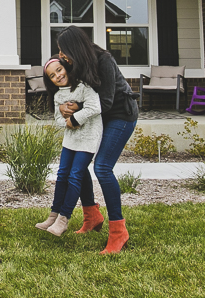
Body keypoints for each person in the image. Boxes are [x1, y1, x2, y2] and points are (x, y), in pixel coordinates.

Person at [55, 25, 139, 254]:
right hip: (95, 118)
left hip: (120, 115)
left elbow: (107, 102)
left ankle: (118, 231)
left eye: (63, 51)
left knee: (102, 167)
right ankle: (92, 215)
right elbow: (67, 87)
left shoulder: (104, 61)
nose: (61, 56)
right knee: (78, 165)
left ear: (75, 47)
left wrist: (77, 111)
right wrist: (64, 104)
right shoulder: (74, 63)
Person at [35, 56, 102, 237]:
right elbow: (58, 121)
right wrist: (64, 115)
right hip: (70, 139)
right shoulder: (58, 96)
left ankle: (64, 219)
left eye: (59, 70)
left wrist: (73, 118)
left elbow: (95, 107)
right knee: (62, 174)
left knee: (75, 176)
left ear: (65, 67)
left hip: (88, 138)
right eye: (52, 75)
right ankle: (53, 215)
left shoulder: (83, 87)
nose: (58, 75)